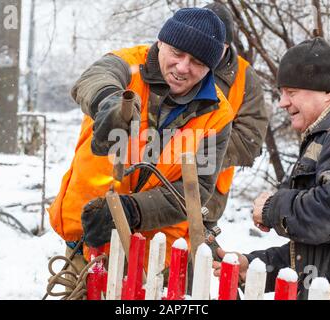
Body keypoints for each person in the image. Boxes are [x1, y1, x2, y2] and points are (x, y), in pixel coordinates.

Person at [48, 8, 234, 273]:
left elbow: (197, 189)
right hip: (88, 242)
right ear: (161, 42)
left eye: (197, 62)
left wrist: (132, 210)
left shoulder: (218, 115)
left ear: (210, 68)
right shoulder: (126, 64)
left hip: (153, 259)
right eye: (177, 53)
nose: (183, 67)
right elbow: (94, 79)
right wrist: (110, 101)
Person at [213, 37, 330, 300]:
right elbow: (325, 247)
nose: (282, 102)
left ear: (327, 91)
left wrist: (273, 208)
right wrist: (259, 266)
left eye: (291, 92)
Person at [202, 2, 268, 259]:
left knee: (189, 275)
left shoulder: (244, 77)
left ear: (227, 45)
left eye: (215, 48)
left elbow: (250, 140)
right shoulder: (179, 66)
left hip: (209, 195)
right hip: (154, 187)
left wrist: (195, 151)